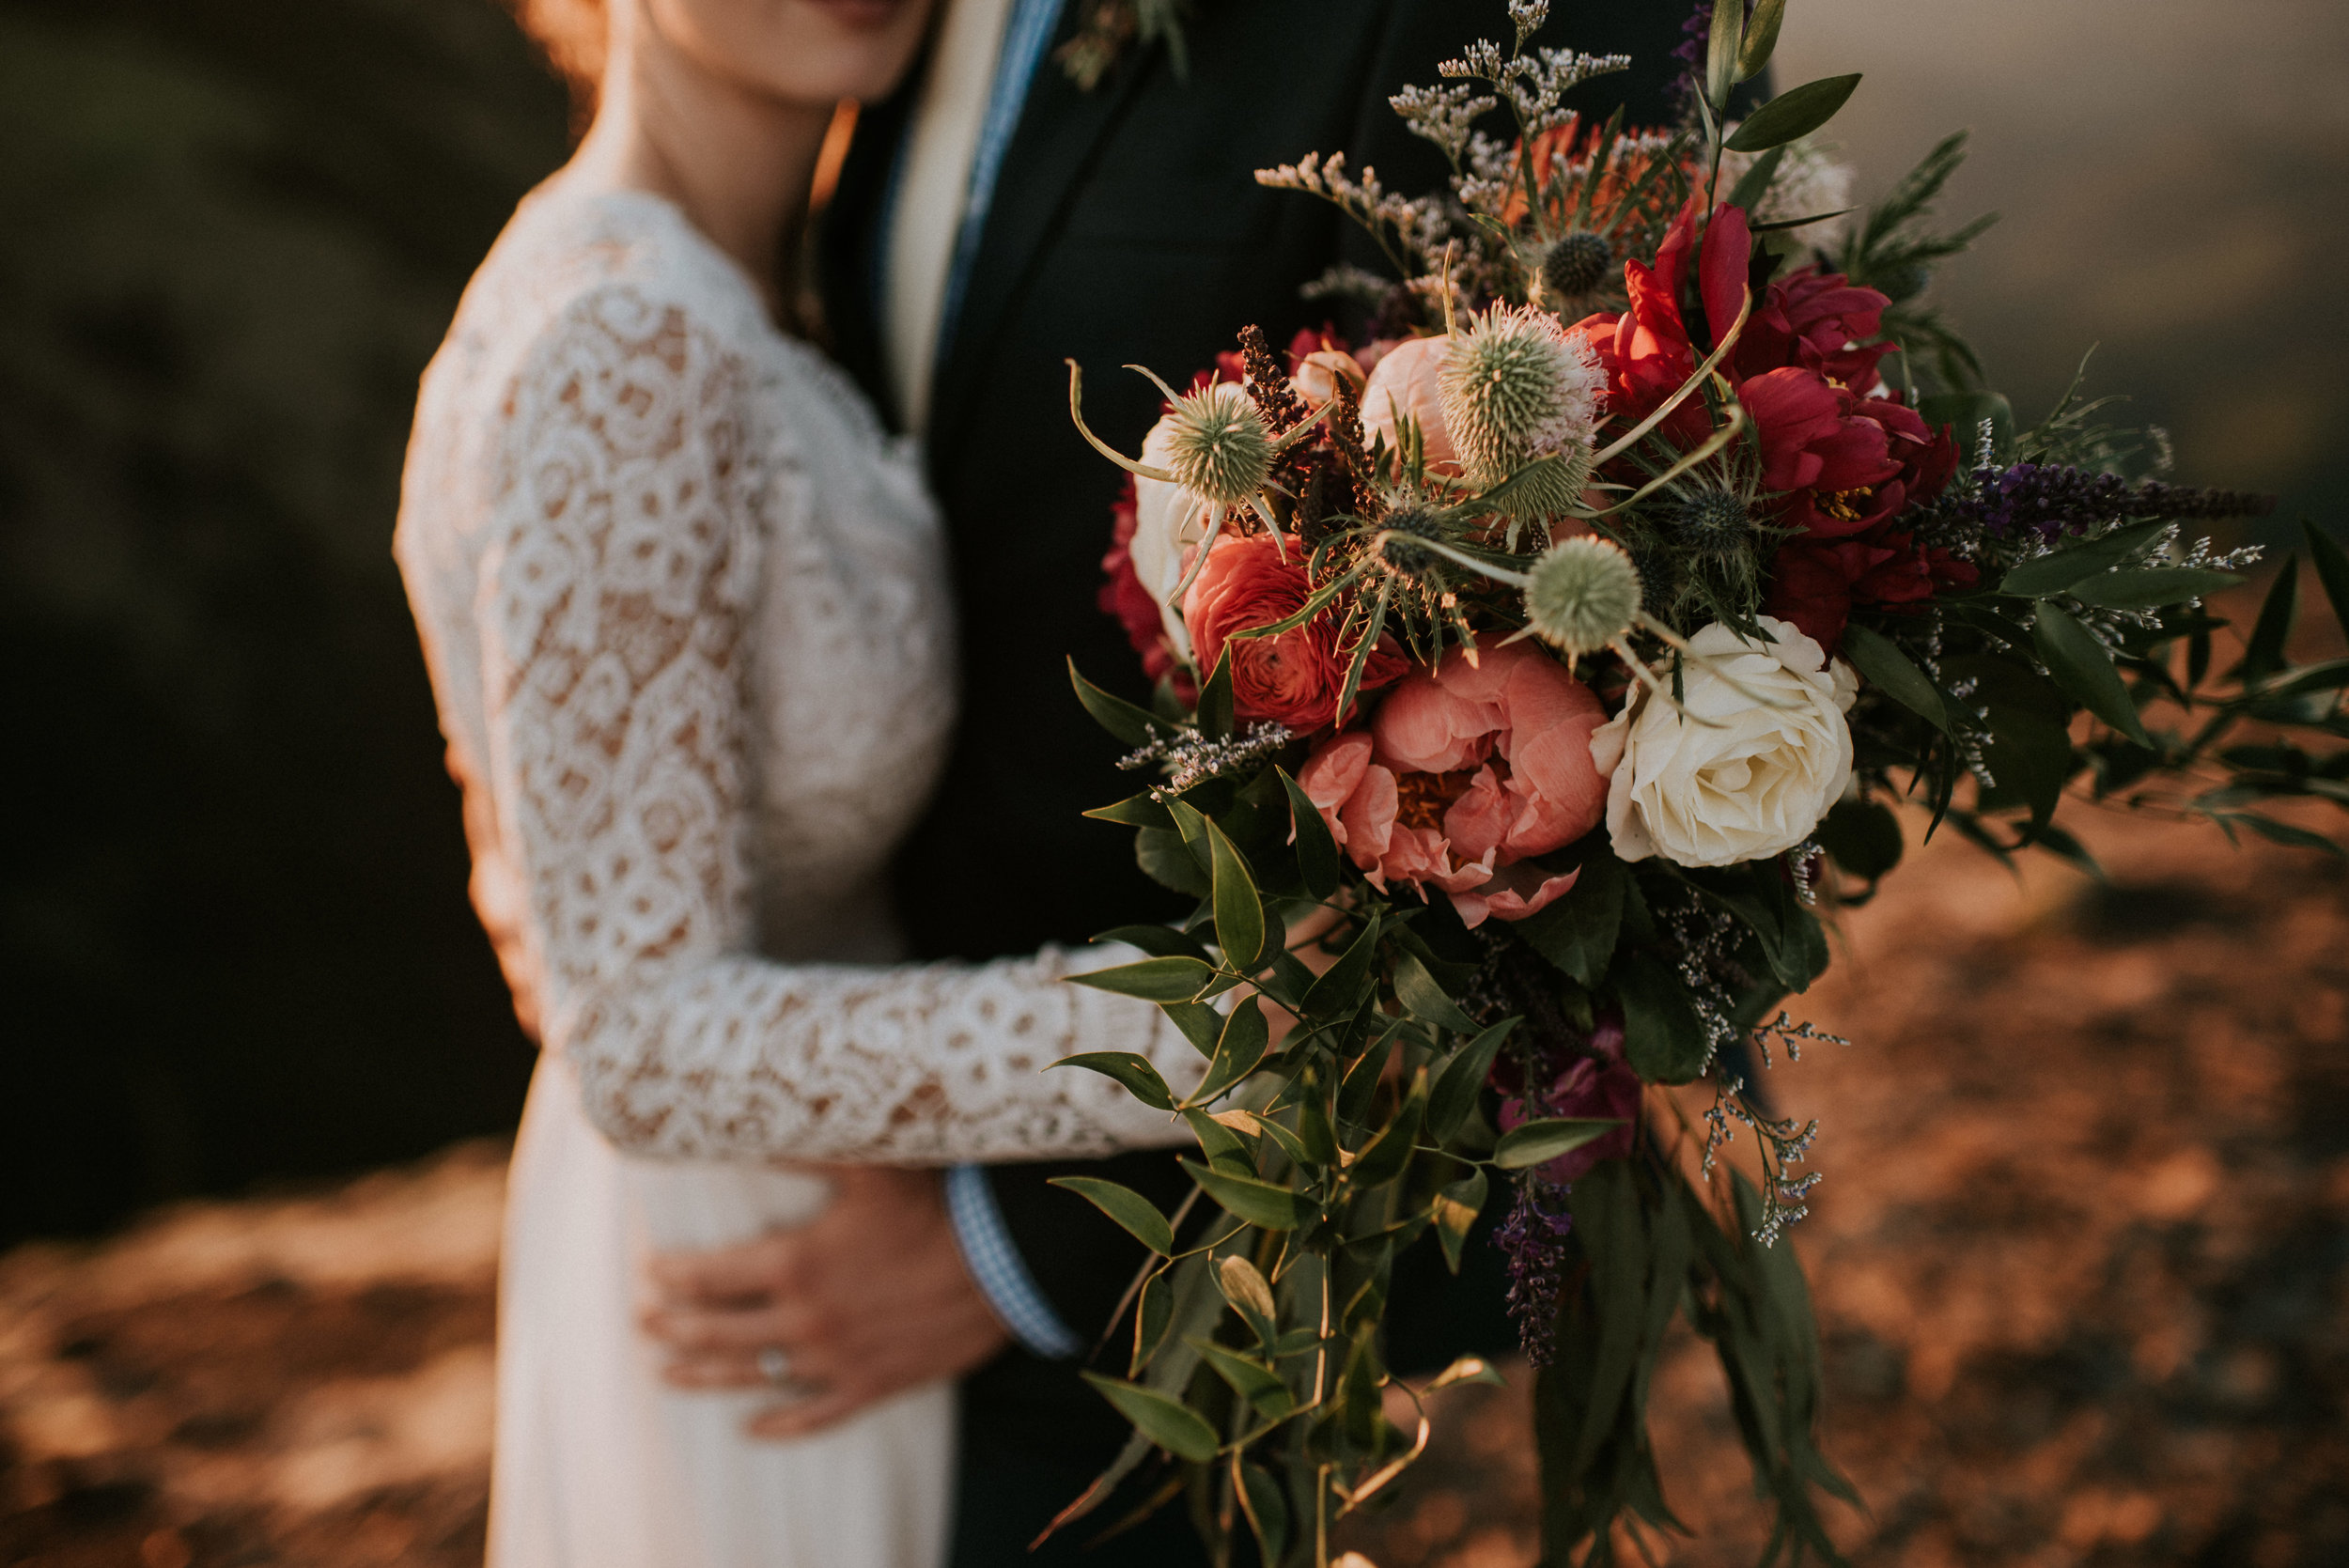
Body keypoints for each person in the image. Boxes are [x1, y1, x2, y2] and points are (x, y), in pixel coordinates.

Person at [624, 3, 1697, 1565]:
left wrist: (1017, 1245)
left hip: (1155, 1290)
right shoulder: (869, 42)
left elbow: (1629, 650)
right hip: (794, 1225)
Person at [392, 0, 1216, 1563]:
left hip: (803, 1227)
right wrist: (1200, 1033)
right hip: (750, 1287)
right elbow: (640, 1034)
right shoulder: (620, 343)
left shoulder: (750, 287)